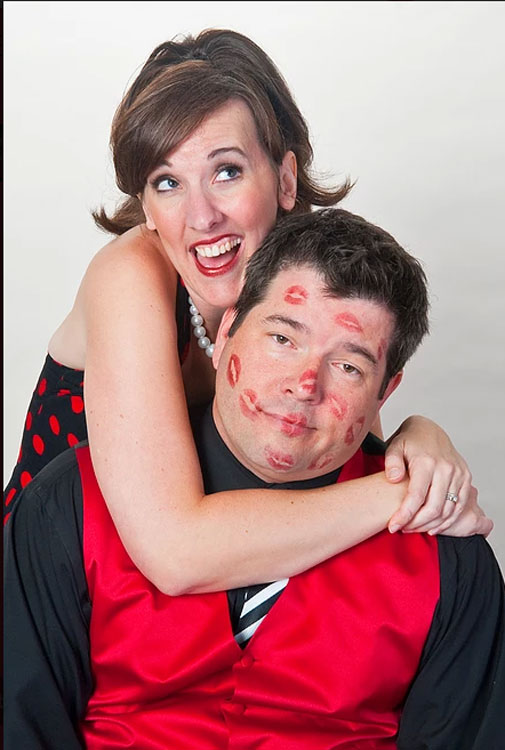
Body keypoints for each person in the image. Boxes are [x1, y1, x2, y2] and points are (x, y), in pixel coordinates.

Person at [3, 29, 491, 594]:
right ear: (146, 207)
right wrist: (401, 493)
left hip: (196, 606)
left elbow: (336, 454)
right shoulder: (131, 274)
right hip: (53, 588)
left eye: (227, 171)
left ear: (285, 179)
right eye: (167, 182)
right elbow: (175, 553)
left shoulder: (302, 275)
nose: (201, 216)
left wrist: (419, 442)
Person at [5, 208, 503, 749]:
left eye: (349, 367)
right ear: (226, 333)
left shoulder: (447, 556)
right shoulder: (69, 507)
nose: (304, 385)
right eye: (283, 338)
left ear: (386, 392)